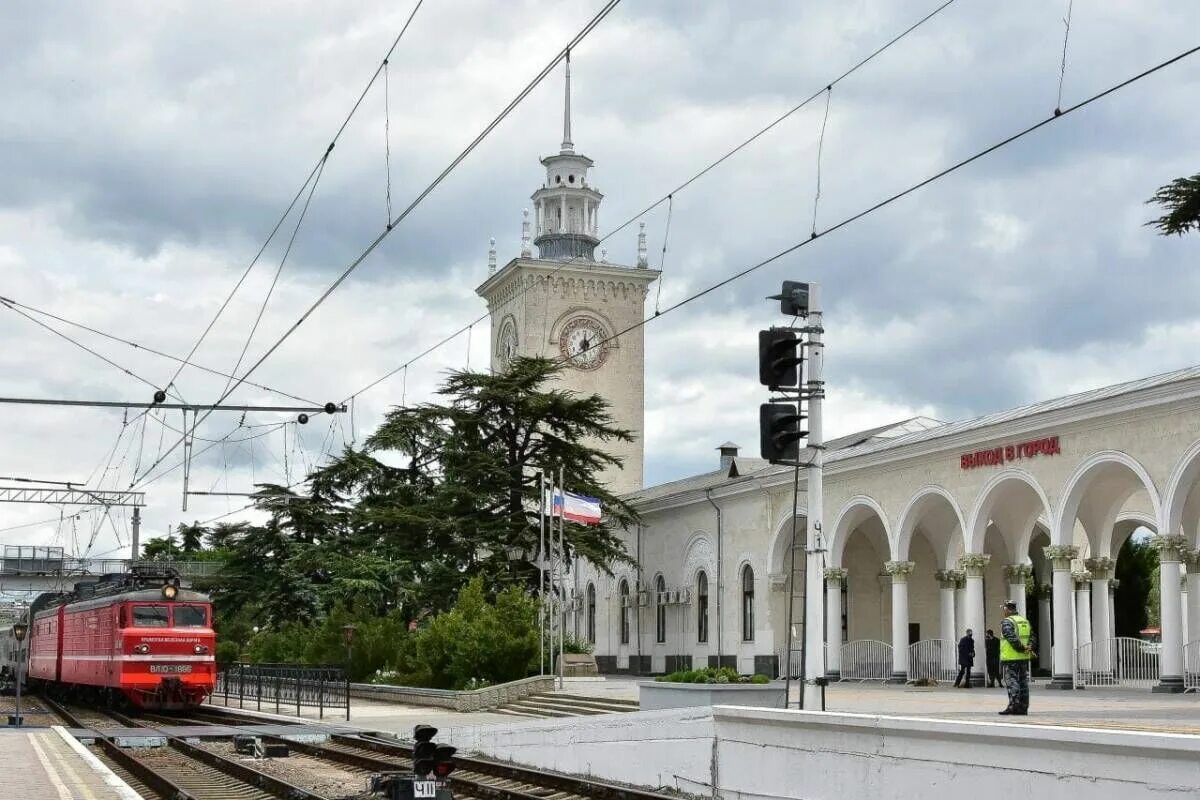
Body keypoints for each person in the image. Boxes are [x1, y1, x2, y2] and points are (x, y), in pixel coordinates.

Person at [998, 600, 1033, 715]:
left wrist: (1022, 648)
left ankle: (1014, 706)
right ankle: (1023, 707)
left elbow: (1011, 638)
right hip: (1023, 658)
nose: (1003, 611)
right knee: (1023, 682)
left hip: (1011, 658)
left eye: (1004, 608)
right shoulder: (1024, 621)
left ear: (1007, 609)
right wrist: (1029, 647)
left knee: (1012, 682)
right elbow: (1032, 637)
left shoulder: (1007, 622)